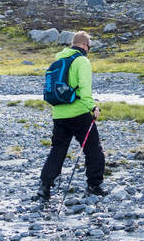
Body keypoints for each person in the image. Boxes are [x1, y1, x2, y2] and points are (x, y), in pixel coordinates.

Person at [38, 30, 106, 200]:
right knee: (93, 148)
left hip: (59, 113)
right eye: (88, 47)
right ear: (84, 45)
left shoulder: (60, 59)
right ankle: (94, 185)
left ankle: (44, 187)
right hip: (79, 112)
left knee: (58, 150)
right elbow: (84, 88)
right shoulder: (82, 61)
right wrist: (93, 106)